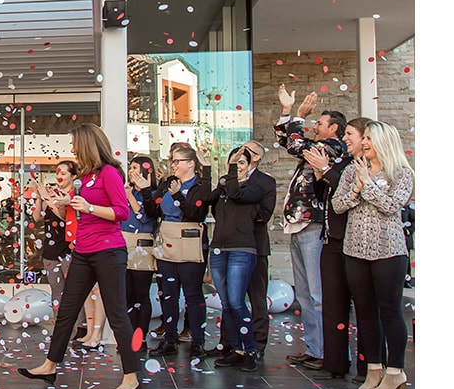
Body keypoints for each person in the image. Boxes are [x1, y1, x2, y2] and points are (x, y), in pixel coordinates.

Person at [18, 124, 141, 389]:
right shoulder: (86, 178)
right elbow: (81, 214)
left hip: (109, 251)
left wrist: (89, 207)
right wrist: (67, 202)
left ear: (87, 145)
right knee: (67, 310)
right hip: (84, 251)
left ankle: (131, 377)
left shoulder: (109, 173)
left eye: (75, 144)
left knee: (117, 314)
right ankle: (50, 365)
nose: (72, 149)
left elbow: (122, 212)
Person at [331, 120, 414, 389]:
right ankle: (374, 369)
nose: (364, 143)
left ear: (384, 142)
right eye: (363, 138)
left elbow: (391, 206)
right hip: (354, 250)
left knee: (389, 310)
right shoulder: (350, 170)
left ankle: (395, 372)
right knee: (364, 312)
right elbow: (337, 205)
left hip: (388, 251)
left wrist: (367, 185)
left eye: (368, 138)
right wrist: (355, 187)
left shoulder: (401, 173)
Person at [274, 86, 348, 370]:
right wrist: (286, 112)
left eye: (320, 123)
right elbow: (286, 140)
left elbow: (295, 144)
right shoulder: (315, 147)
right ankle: (315, 348)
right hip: (298, 225)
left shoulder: (332, 148)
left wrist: (300, 116)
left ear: (334, 129)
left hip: (314, 225)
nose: (315, 126)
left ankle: (331, 352)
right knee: (304, 294)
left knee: (318, 294)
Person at [303, 116, 368, 382]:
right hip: (331, 238)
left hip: (353, 241)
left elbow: (349, 190)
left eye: (350, 134)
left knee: (363, 305)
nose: (345, 139)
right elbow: (325, 194)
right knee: (332, 304)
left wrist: (326, 170)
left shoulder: (363, 165)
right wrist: (320, 174)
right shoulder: (341, 162)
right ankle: (336, 362)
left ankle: (368, 366)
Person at [208, 143, 276, 372]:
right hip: (223, 245)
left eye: (245, 153)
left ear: (255, 158)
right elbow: (213, 207)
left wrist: (243, 214)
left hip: (251, 244)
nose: (239, 155)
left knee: (252, 299)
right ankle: (230, 345)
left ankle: (254, 346)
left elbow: (263, 214)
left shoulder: (263, 183)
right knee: (228, 300)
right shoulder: (226, 183)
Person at [144, 142, 212, 357]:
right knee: (168, 294)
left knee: (192, 293)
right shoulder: (167, 183)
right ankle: (170, 338)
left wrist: (178, 196)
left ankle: (197, 340)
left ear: (191, 163)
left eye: (177, 161)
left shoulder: (200, 185)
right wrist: (147, 190)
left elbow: (195, 213)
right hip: (167, 239)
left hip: (189, 241)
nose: (173, 165)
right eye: (172, 161)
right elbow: (153, 210)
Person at [33, 160, 83, 348]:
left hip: (70, 248)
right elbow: (37, 217)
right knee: (56, 290)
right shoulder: (52, 194)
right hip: (51, 250)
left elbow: (64, 217)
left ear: (73, 176)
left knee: (73, 291)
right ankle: (59, 329)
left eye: (63, 172)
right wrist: (39, 198)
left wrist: (54, 200)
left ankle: (78, 328)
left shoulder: (75, 196)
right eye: (57, 172)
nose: (59, 176)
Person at [122, 155, 159, 344]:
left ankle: (141, 336)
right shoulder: (127, 191)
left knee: (141, 294)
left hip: (142, 245)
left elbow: (144, 217)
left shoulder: (152, 194)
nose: (131, 172)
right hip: (123, 242)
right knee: (127, 294)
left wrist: (129, 196)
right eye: (130, 168)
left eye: (135, 168)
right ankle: (129, 335)